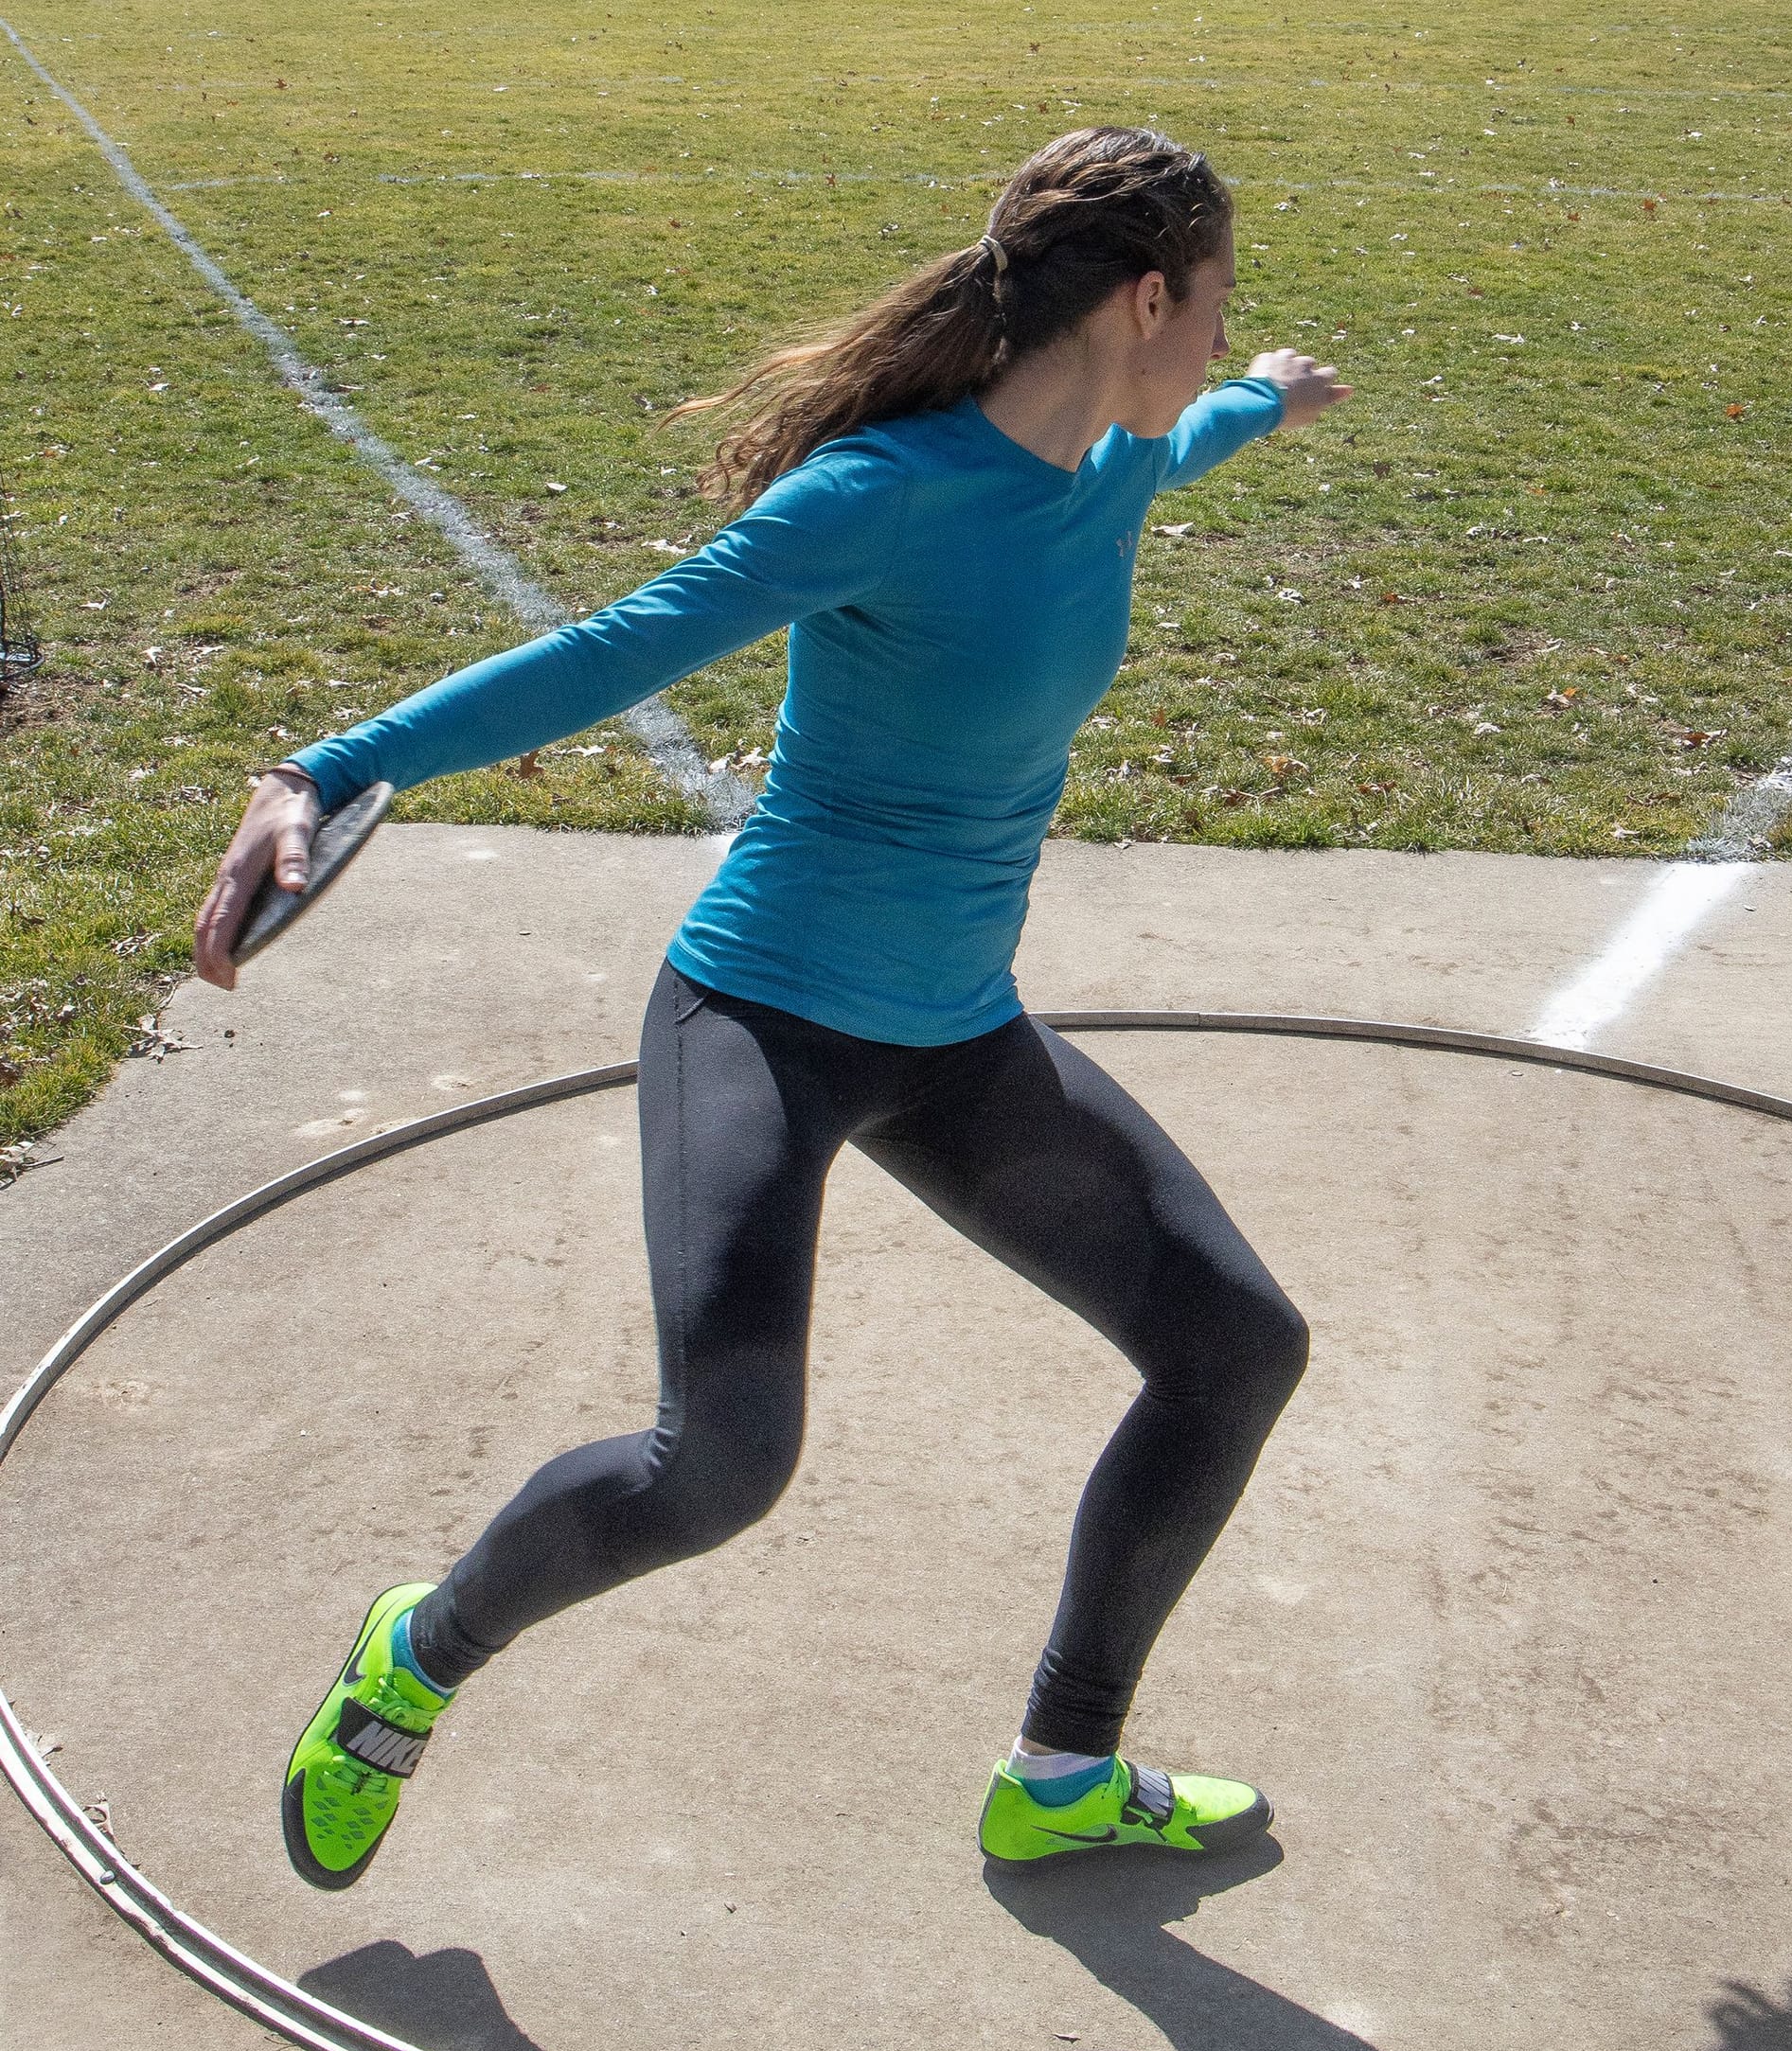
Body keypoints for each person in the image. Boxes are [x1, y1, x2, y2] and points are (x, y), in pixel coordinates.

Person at [195, 126, 1351, 1890]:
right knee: (719, 1463)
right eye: (1220, 308)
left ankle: (1060, 1767)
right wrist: (328, 767)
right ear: (1141, 299)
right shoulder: (878, 494)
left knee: (1233, 1349)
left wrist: (1264, 395)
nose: (1221, 338)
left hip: (959, 1035)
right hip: (763, 1015)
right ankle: (410, 1661)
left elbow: (1188, 437)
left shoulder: (1113, 458)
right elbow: (614, 649)